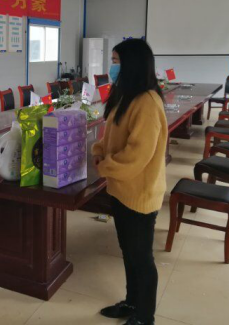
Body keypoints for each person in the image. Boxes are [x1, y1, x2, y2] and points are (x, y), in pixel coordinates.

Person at [91, 39, 167, 325]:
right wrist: (99, 152)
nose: (112, 67)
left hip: (139, 192)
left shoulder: (147, 102)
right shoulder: (126, 95)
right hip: (122, 189)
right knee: (129, 252)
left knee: (141, 258)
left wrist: (105, 166)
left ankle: (145, 317)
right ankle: (132, 302)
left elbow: (137, 155)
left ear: (132, 64)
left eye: (116, 61)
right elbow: (110, 135)